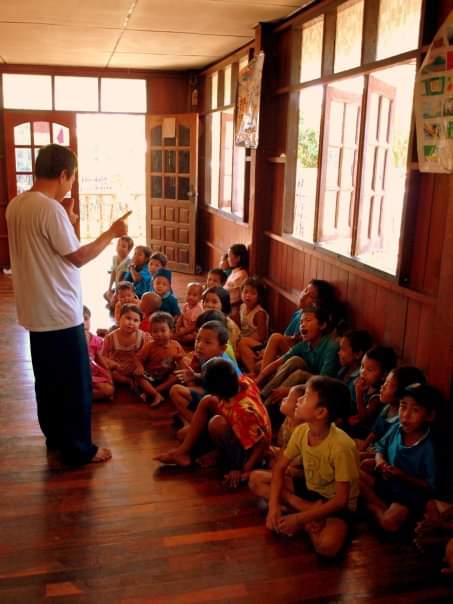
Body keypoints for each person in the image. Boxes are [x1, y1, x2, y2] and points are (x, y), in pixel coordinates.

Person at [6, 143, 130, 465]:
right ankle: (79, 450)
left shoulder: (17, 204)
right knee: (76, 386)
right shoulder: (49, 209)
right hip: (59, 312)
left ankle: (57, 441)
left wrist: (68, 218)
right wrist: (111, 232)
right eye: (71, 178)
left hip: (36, 311)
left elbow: (49, 250)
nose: (71, 184)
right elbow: (77, 258)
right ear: (64, 174)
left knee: (48, 383)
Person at [252, 376, 359, 558]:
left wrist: (298, 519)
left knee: (327, 546)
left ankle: (307, 516)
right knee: (255, 479)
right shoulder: (302, 431)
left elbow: (341, 500)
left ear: (320, 413)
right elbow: (279, 468)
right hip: (311, 490)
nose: (299, 400)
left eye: (306, 397)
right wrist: (273, 505)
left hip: (335, 504)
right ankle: (309, 511)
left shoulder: (342, 446)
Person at [155, 358, 271, 488]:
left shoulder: (242, 413)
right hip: (242, 426)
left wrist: (241, 468)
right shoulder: (243, 381)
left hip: (251, 450)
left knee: (216, 424)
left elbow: (263, 442)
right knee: (207, 401)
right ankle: (182, 453)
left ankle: (222, 456)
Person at [360, 383, 439, 533]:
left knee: (389, 523)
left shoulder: (429, 447)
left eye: (415, 410)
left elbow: (430, 485)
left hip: (408, 493)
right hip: (389, 480)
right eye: (403, 407)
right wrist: (380, 461)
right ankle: (382, 507)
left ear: (430, 415)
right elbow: (380, 448)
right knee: (355, 474)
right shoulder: (398, 427)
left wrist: (402, 475)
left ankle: (373, 508)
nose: (405, 415)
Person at [257, 306, 339, 409]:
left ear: (322, 325)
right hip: (309, 382)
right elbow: (277, 362)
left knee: (299, 374)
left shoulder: (331, 347)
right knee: (295, 360)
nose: (302, 325)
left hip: (323, 388)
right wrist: (256, 381)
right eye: (301, 322)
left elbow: (322, 383)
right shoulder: (304, 344)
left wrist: (288, 390)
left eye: (308, 320)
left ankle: (265, 407)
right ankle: (261, 396)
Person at [169, 320, 240, 424]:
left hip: (226, 404)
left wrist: (196, 377)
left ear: (222, 348)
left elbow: (222, 395)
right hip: (212, 394)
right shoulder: (205, 355)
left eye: (207, 342)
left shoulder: (223, 365)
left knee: (176, 391)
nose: (199, 345)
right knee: (179, 389)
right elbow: (206, 379)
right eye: (198, 339)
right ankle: (195, 422)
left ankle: (196, 426)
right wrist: (194, 376)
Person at [260, 279, 340, 370]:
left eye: (310, 296)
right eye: (305, 290)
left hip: (299, 357)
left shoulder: (314, 321)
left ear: (317, 303)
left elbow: (299, 344)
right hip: (287, 352)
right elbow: (287, 336)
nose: (304, 296)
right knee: (259, 363)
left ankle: (261, 379)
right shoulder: (299, 314)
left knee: (275, 338)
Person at [356, 366, 426, 454]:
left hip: (380, 455)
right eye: (385, 382)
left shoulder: (402, 420)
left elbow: (388, 451)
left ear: (401, 392)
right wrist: (362, 449)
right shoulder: (387, 408)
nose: (382, 386)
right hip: (373, 449)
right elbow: (374, 432)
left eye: (388, 384)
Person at [135, 311, 185, 406]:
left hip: (166, 376)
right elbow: (138, 359)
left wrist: (179, 358)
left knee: (177, 377)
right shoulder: (149, 346)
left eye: (163, 330)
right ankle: (156, 394)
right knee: (138, 377)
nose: (159, 334)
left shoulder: (176, 345)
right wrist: (139, 367)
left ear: (171, 331)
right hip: (150, 376)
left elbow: (182, 359)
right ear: (151, 332)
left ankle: (152, 392)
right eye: (155, 331)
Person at [347, 346, 397, 438]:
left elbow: (364, 418)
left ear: (384, 375)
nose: (363, 372)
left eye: (369, 370)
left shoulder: (378, 396)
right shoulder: (366, 386)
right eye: (362, 366)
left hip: (367, 434)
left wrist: (359, 395)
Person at [102, 304, 150, 389]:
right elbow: (103, 356)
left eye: (136, 321)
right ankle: (126, 381)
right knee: (108, 372)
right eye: (128, 318)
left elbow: (146, 354)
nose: (131, 323)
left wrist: (140, 366)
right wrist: (112, 363)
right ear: (119, 319)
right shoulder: (111, 337)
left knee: (146, 371)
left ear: (140, 323)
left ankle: (137, 381)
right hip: (117, 368)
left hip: (135, 366)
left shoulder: (142, 336)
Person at [237, 277, 269, 375]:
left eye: (253, 293)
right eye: (245, 292)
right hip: (245, 342)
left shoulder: (259, 313)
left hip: (259, 345)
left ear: (259, 296)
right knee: (235, 352)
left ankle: (252, 372)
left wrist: (244, 340)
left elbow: (262, 336)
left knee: (242, 343)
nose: (248, 296)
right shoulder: (242, 307)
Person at [336, 330, 373, 416]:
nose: (339, 353)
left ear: (357, 354)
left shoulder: (359, 381)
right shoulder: (344, 370)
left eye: (343, 349)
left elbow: (353, 409)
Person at [83, 306, 114, 401]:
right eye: (79, 321)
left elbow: (101, 361)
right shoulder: (69, 341)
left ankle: (81, 396)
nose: (83, 323)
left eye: (86, 319)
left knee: (109, 389)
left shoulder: (96, 340)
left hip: (93, 375)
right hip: (77, 376)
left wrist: (109, 378)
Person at [202, 286, 240, 355]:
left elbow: (231, 352)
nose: (209, 305)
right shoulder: (206, 318)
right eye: (206, 301)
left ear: (223, 305)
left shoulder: (229, 326)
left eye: (214, 302)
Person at [103, 235, 134, 306]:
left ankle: (116, 303)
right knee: (105, 294)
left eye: (123, 246)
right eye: (118, 245)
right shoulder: (115, 258)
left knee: (116, 297)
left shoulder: (129, 261)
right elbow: (113, 273)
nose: (120, 248)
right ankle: (115, 302)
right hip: (117, 287)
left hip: (125, 288)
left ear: (129, 250)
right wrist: (109, 289)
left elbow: (122, 278)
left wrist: (116, 292)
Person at [224, 244, 248, 319]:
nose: (228, 259)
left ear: (238, 258)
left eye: (229, 256)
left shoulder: (241, 275)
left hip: (230, 309)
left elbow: (238, 299)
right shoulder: (235, 272)